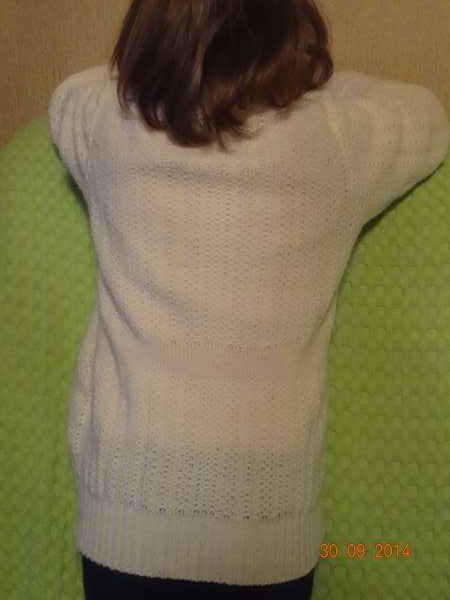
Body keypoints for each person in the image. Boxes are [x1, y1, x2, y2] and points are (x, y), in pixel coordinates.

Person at [48, 1, 450, 598]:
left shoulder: (107, 124)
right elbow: (428, 116)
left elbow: (70, 94)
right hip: (268, 536)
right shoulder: (334, 141)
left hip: (123, 521)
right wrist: (311, 93)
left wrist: (163, 73)